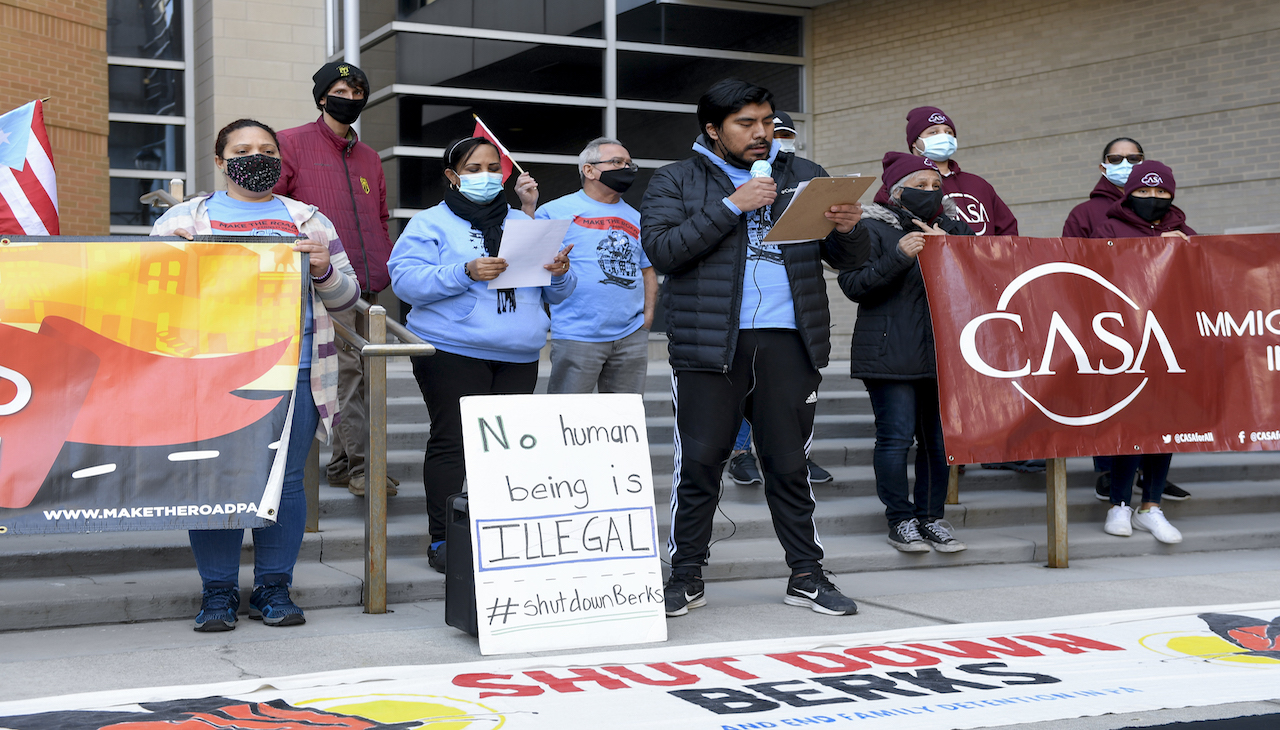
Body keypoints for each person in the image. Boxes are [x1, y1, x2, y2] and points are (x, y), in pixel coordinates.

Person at [641, 79, 866, 617]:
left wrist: (849, 230)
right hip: (710, 345)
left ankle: (807, 575)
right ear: (713, 129)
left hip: (790, 341)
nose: (762, 133)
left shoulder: (805, 174)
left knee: (790, 464)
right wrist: (732, 205)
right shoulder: (675, 179)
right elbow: (664, 251)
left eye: (767, 121)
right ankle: (686, 575)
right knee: (699, 464)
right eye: (747, 124)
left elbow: (846, 259)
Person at [151, 118, 362, 631]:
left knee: (288, 483)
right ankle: (218, 593)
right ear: (221, 161)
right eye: (243, 149)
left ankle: (274, 588)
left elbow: (347, 298)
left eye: (267, 149)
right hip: (210, 375)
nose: (257, 156)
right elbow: (148, 298)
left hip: (296, 370)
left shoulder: (311, 220)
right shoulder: (185, 218)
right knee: (213, 481)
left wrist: (322, 270)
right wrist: (165, 260)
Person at [388, 137, 574, 573]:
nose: (485, 176)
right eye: (473, 169)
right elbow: (405, 281)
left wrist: (561, 273)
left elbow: (560, 293)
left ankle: (498, 530)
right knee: (453, 440)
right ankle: (444, 539)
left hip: (519, 350)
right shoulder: (430, 223)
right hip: (452, 347)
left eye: (493, 168)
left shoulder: (525, 222)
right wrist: (463, 271)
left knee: (504, 448)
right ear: (452, 177)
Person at [274, 61, 398, 499]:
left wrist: (382, 262)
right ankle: (364, 467)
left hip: (366, 285)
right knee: (348, 375)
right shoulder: (290, 143)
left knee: (361, 372)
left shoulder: (369, 157)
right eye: (341, 89)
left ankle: (344, 463)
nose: (351, 97)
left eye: (358, 90)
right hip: (317, 284)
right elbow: (275, 211)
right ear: (323, 96)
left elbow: (379, 219)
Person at [840, 152, 973, 554]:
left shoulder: (954, 230)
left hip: (943, 355)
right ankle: (900, 520)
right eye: (920, 186)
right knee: (896, 438)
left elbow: (982, 283)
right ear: (896, 191)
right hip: (889, 353)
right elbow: (855, 285)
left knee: (938, 442)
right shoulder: (871, 228)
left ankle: (932, 518)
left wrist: (951, 251)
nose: (930, 193)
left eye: (936, 187)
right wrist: (899, 256)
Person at [1063, 139, 1192, 504]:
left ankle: (1151, 482)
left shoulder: (1175, 222)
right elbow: (1078, 266)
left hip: (1161, 332)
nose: (1124, 163)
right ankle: (1110, 474)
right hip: (1112, 328)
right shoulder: (1087, 215)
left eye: (1133, 158)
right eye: (1116, 158)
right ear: (1103, 165)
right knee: (1115, 406)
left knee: (1158, 408)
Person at [726, 110, 835, 487]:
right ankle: (740, 455)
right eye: (773, 131)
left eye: (784, 132)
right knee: (744, 395)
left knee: (793, 401)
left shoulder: (805, 174)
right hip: (738, 318)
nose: (777, 138)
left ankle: (799, 456)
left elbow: (839, 252)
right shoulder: (728, 178)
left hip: (792, 319)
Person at [1096, 160, 1194, 546]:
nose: (1152, 199)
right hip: (1124, 341)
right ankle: (1118, 504)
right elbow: (1099, 274)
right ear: (1129, 193)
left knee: (1165, 424)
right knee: (1130, 423)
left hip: (1171, 342)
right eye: (1144, 191)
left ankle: (1151, 506)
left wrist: (1189, 254)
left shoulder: (1183, 231)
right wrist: (1156, 251)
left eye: (1160, 192)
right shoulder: (1108, 227)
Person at [535, 137, 656, 395]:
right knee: (567, 418)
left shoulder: (638, 218)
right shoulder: (554, 211)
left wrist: (647, 318)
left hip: (631, 335)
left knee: (624, 421)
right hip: (577, 334)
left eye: (629, 164)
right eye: (616, 162)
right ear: (589, 170)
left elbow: (647, 270)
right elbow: (532, 267)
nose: (626, 168)